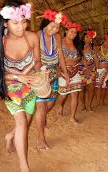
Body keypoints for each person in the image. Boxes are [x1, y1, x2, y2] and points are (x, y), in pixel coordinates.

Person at [0, 0, 42, 172]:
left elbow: (38, 62)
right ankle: (24, 166)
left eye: (24, 21)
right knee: (21, 122)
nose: (21, 27)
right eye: (15, 23)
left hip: (30, 85)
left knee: (26, 121)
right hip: (10, 86)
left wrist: (42, 73)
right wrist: (19, 77)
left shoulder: (33, 37)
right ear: (6, 23)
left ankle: (10, 136)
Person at [33, 8, 70, 150]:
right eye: (52, 26)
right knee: (41, 107)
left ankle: (41, 119)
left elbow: (60, 55)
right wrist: (40, 72)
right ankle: (41, 138)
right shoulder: (36, 36)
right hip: (40, 77)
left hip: (54, 74)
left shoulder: (58, 37)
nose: (54, 30)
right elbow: (32, 58)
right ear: (45, 24)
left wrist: (64, 71)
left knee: (51, 103)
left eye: (57, 27)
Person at [56, 21, 82, 125]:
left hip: (75, 71)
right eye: (71, 32)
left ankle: (72, 117)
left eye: (75, 33)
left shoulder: (77, 43)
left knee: (75, 94)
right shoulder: (60, 42)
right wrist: (58, 71)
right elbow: (56, 58)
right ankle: (61, 105)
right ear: (66, 31)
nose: (73, 34)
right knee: (63, 95)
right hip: (63, 71)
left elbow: (80, 57)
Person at [78, 29, 99, 112]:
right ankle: (83, 106)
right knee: (82, 89)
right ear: (83, 38)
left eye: (90, 38)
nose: (88, 39)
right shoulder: (80, 47)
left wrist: (96, 70)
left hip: (91, 68)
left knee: (91, 89)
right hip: (81, 69)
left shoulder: (93, 47)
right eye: (87, 37)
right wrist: (86, 69)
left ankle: (89, 105)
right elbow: (83, 59)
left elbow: (96, 59)